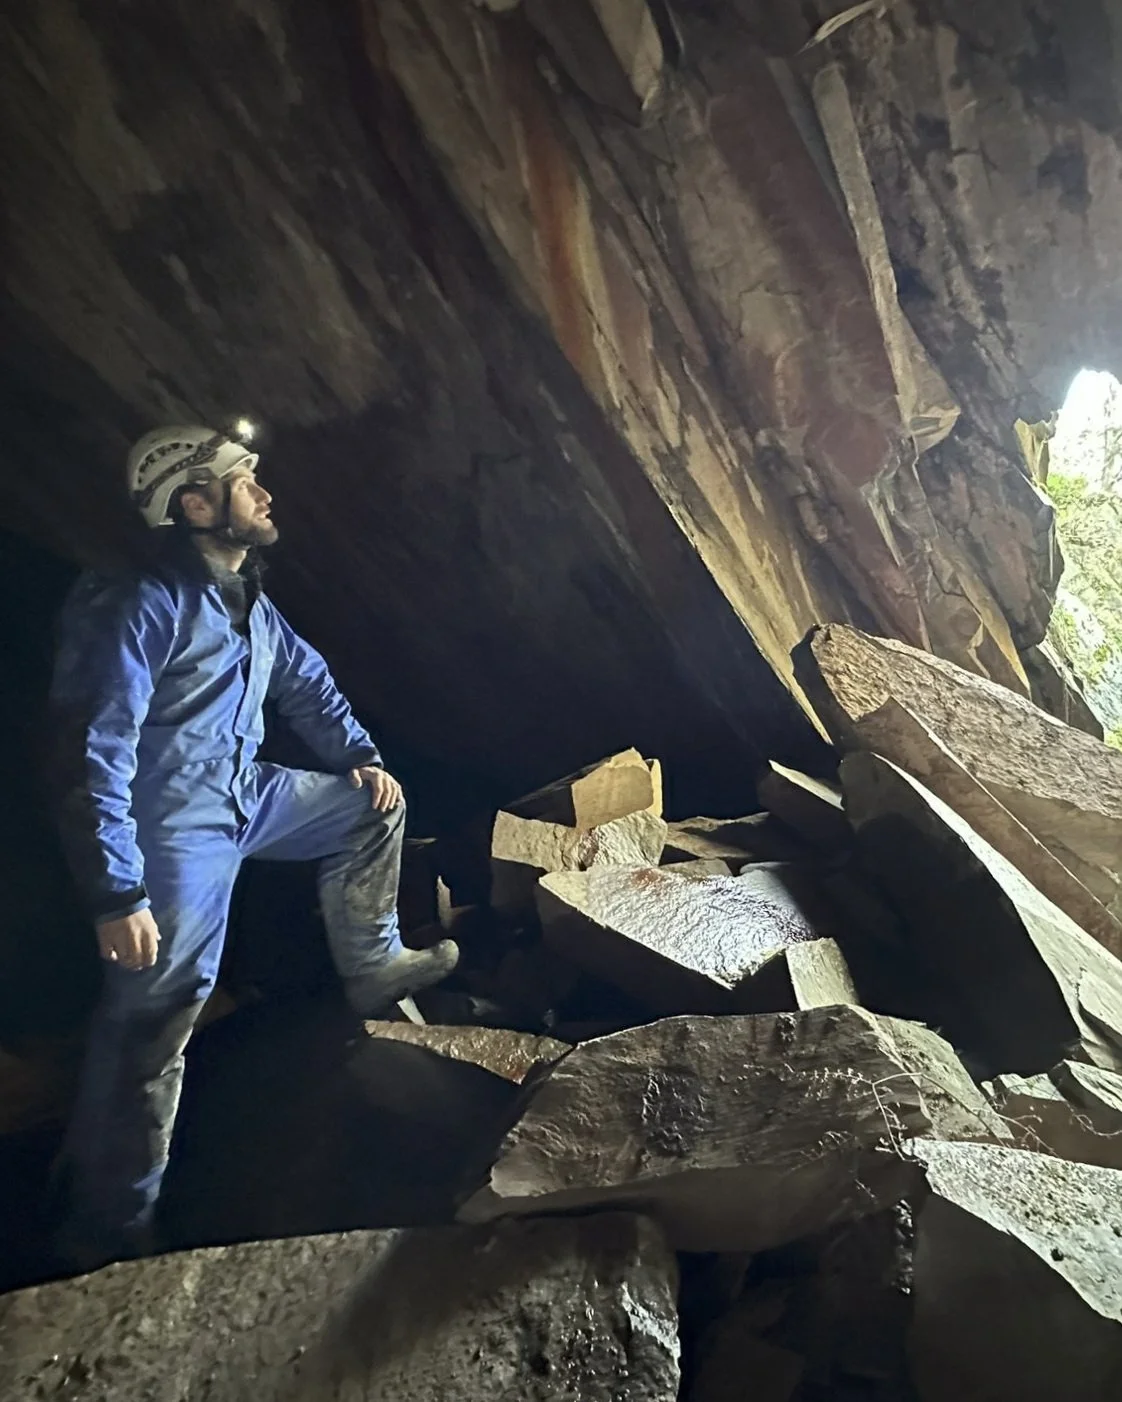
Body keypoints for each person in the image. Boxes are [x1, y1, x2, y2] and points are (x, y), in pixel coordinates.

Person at [49, 424, 458, 1269]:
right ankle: (107, 1218)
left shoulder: (247, 605)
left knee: (370, 809)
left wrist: (360, 756)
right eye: (244, 482)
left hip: (243, 796)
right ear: (194, 505)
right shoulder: (138, 601)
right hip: (168, 831)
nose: (265, 494)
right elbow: (90, 746)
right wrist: (117, 891)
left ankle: (373, 964)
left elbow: (307, 683)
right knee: (154, 1020)